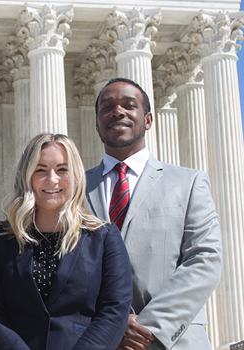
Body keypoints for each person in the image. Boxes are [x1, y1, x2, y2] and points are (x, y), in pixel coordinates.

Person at [86, 78, 222, 350]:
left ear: (148, 119)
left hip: (173, 342)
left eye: (129, 105)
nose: (118, 112)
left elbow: (204, 259)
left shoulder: (189, 182)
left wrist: (148, 327)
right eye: (107, 107)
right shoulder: (75, 190)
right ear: (98, 124)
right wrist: (113, 325)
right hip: (98, 341)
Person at [0, 133, 132, 350]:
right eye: (41, 170)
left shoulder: (104, 237)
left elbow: (115, 310)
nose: (52, 179)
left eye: (62, 169)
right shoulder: (2, 239)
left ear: (76, 175)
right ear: (26, 176)